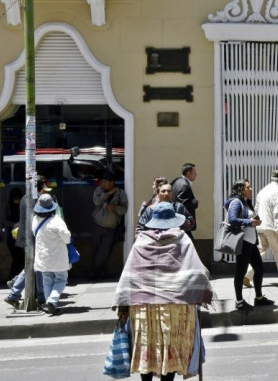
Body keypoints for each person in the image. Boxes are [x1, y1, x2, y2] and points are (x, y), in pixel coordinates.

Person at [113, 202, 213, 380]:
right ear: (174, 221)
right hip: (176, 307)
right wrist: (201, 288)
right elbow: (197, 274)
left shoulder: (142, 241)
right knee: (170, 349)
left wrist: (123, 306)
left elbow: (131, 274)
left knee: (147, 348)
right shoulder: (182, 239)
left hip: (143, 306)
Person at [225, 179, 274, 311]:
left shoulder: (246, 202)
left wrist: (255, 221)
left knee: (259, 268)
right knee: (240, 271)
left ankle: (259, 298)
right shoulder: (236, 202)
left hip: (251, 242)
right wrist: (249, 221)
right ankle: (239, 301)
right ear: (241, 190)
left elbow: (248, 219)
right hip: (243, 243)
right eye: (248, 187)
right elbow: (232, 219)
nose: (251, 189)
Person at [245, 170, 278, 286]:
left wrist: (257, 223)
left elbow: (256, 208)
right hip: (273, 228)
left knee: (259, 252)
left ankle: (247, 275)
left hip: (261, 227)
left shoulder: (263, 191)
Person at [4, 176, 50, 309]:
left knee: (36, 265)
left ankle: (39, 296)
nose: (44, 192)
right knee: (33, 265)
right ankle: (14, 292)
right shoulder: (35, 200)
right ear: (40, 188)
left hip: (26, 237)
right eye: (43, 189)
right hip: (32, 238)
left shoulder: (25, 198)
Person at [31, 194, 71, 315]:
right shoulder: (56, 221)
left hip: (42, 257)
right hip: (57, 257)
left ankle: (49, 303)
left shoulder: (35, 220)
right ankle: (52, 301)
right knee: (61, 279)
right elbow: (67, 238)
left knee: (47, 281)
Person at [91, 170, 129, 281]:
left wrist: (114, 208)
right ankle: (100, 273)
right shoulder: (99, 190)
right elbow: (96, 202)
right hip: (97, 224)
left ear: (112, 182)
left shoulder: (121, 193)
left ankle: (94, 274)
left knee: (104, 251)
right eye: (102, 181)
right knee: (96, 250)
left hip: (111, 227)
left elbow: (124, 209)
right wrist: (108, 193)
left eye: (106, 181)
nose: (103, 184)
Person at [171, 163, 199, 240]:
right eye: (194, 172)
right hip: (183, 222)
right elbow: (183, 204)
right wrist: (195, 203)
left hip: (179, 222)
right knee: (190, 245)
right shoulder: (184, 185)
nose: (196, 174)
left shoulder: (177, 181)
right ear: (188, 173)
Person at [3, 187, 24, 279]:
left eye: (19, 199)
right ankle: (13, 277)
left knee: (21, 258)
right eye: (15, 199)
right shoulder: (7, 206)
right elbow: (4, 220)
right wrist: (14, 224)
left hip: (21, 234)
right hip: (10, 236)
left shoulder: (22, 205)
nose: (17, 201)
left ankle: (17, 278)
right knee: (16, 258)